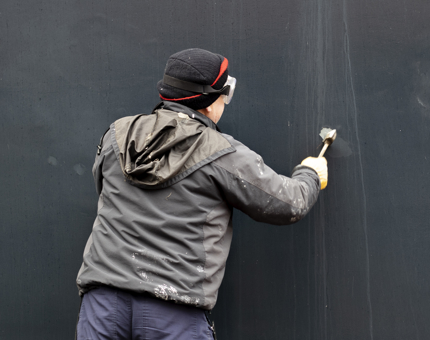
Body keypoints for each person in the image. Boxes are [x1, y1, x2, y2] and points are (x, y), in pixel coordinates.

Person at [75, 48, 328, 340]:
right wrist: (311, 173)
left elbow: (102, 190)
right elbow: (289, 204)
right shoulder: (222, 152)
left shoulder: (117, 135)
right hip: (173, 311)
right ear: (209, 102)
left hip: (102, 306)